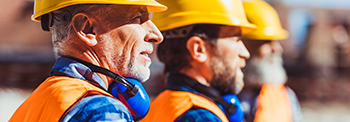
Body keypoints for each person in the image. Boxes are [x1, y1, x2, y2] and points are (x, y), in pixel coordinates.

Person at [9, 0, 167, 121]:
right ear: (87, 29)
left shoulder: (31, 106)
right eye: (138, 18)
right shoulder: (102, 111)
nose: (157, 35)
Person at [141, 0, 256, 122]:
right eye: (236, 39)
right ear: (199, 49)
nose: (245, 53)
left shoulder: (159, 105)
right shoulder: (200, 117)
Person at [238, 0, 303, 122]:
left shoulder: (286, 96)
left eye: (276, 41)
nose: (277, 49)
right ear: (241, 43)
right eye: (266, 41)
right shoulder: (214, 96)